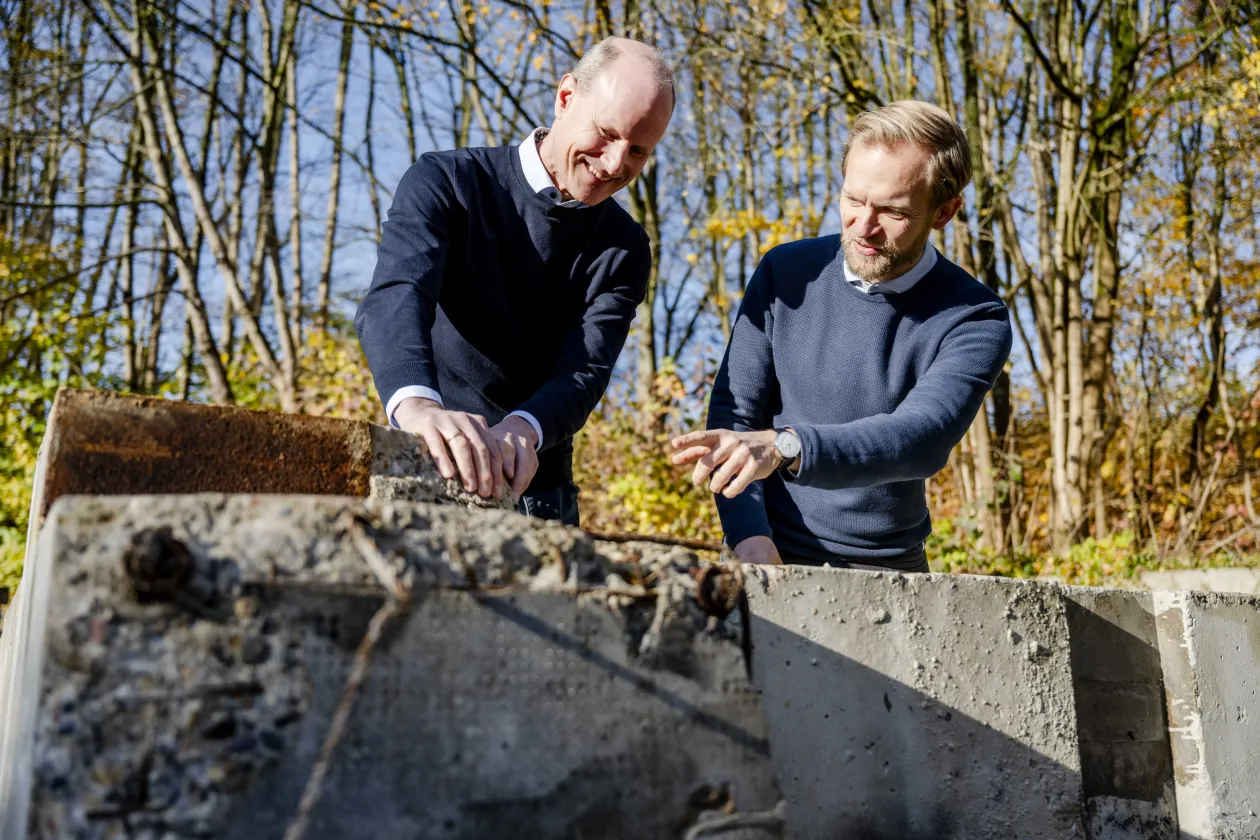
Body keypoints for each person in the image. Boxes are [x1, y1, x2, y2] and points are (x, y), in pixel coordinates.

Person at [669, 100, 1012, 571]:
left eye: (892, 211)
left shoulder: (974, 316)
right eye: (853, 200)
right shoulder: (785, 273)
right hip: (766, 553)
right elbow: (736, 417)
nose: (863, 227)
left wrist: (785, 446)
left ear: (944, 211)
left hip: (887, 569)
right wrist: (748, 535)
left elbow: (921, 437)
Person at [356, 38, 674, 526]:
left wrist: (523, 429)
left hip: (537, 486)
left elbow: (584, 369)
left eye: (637, 151)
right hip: (424, 455)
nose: (614, 165)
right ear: (566, 97)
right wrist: (419, 408)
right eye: (607, 133)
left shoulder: (625, 248)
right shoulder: (447, 181)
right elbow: (398, 296)